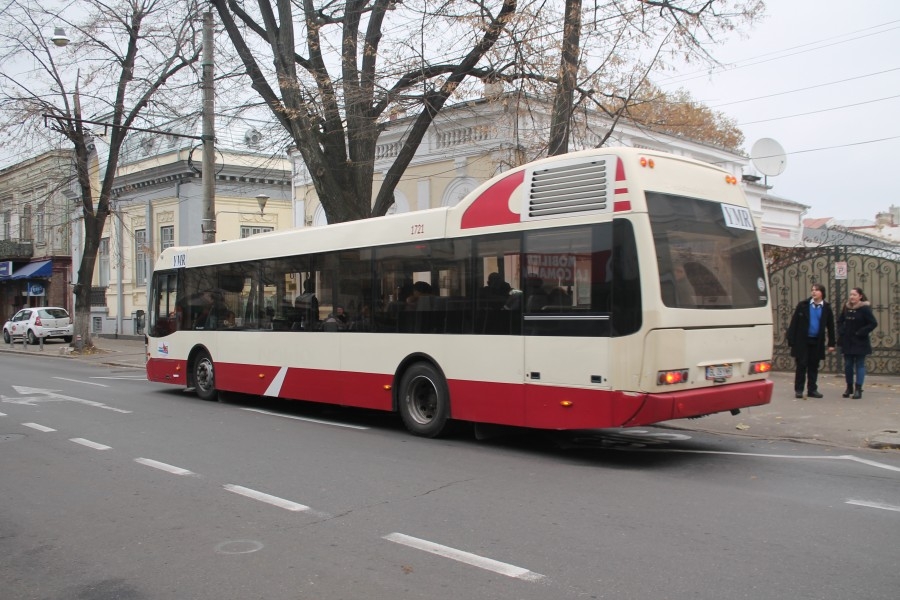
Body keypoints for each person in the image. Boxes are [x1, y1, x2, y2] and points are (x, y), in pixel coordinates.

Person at [786, 283, 836, 399]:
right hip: (802, 340)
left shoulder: (826, 308)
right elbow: (794, 323)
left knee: (813, 366)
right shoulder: (803, 305)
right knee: (801, 365)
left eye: (817, 290)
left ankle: (812, 389)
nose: (814, 292)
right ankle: (799, 389)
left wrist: (831, 343)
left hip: (817, 341)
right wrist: (791, 339)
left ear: (822, 293)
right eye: (812, 290)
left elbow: (830, 326)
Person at [837, 287, 878, 399]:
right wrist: (841, 330)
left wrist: (861, 332)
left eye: (854, 295)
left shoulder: (864, 308)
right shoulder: (846, 307)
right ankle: (849, 387)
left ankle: (858, 388)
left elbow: (873, 323)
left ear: (860, 296)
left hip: (860, 340)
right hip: (847, 340)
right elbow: (840, 320)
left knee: (860, 364)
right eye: (851, 294)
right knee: (848, 364)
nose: (852, 297)